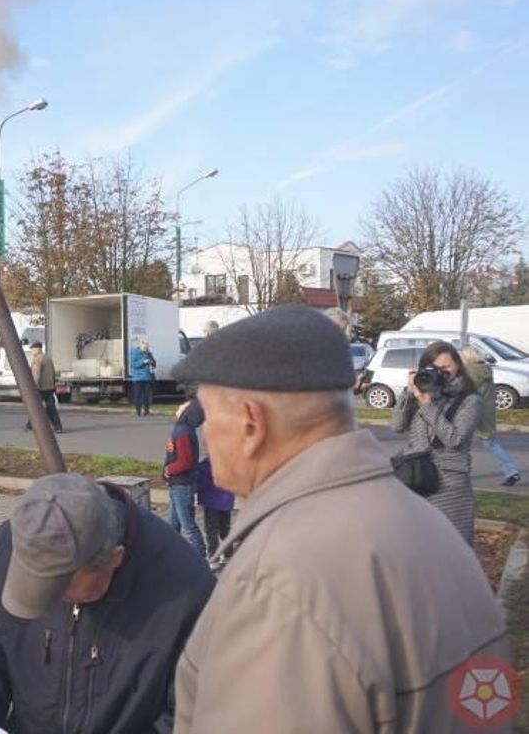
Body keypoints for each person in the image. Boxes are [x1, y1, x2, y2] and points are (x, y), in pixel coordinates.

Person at [170, 305, 509, 732]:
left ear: (250, 423)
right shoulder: (424, 523)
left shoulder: (279, 583)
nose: (205, 435)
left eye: (208, 417)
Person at [0, 473, 214, 734]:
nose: (48, 602)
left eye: (62, 588)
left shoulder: (186, 587)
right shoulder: (11, 543)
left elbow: (192, 713)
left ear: (115, 558)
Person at [390, 341, 481, 545]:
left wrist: (427, 405)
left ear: (458, 365)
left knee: (451, 545)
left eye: (446, 367)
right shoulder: (421, 392)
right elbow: (396, 427)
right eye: (435, 368)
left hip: (448, 483)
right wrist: (409, 392)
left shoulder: (469, 400)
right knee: (417, 545)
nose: (441, 373)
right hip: (415, 477)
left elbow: (454, 440)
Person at [463, 346, 521, 487]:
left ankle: (460, 475)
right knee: (491, 444)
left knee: (461, 445)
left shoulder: (471, 371)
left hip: (473, 413)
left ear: (468, 357)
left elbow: (464, 391)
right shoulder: (485, 370)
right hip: (486, 413)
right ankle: (512, 471)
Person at [164, 397, 207, 558]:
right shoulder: (180, 428)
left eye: (184, 405)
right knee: (173, 525)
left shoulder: (183, 431)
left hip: (182, 485)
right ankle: (169, 556)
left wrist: (170, 469)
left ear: (188, 412)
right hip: (176, 484)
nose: (180, 405)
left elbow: (185, 461)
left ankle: (201, 556)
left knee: (188, 525)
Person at [194, 456, 233, 560]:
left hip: (211, 502)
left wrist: (197, 493)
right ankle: (228, 554)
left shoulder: (206, 464)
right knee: (225, 530)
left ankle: (213, 556)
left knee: (211, 531)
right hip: (227, 502)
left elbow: (201, 483)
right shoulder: (230, 461)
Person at [24, 341, 62, 433]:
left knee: (35, 407)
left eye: (32, 349)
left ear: (37, 349)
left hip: (40, 388)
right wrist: (53, 385)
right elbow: (53, 373)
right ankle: (58, 426)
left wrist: (34, 387)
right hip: (49, 388)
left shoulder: (37, 359)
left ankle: (30, 425)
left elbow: (36, 374)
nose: (32, 351)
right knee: (51, 408)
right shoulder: (48, 358)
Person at [127, 339, 156, 416]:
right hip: (138, 378)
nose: (146, 348)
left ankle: (146, 411)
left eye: (147, 347)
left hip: (147, 377)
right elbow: (133, 365)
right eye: (145, 347)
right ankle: (138, 411)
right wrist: (143, 361)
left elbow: (154, 363)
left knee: (147, 396)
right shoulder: (135, 352)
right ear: (141, 345)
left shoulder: (149, 353)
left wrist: (152, 362)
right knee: (137, 396)